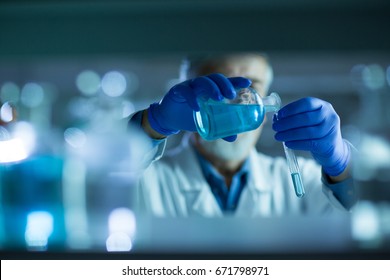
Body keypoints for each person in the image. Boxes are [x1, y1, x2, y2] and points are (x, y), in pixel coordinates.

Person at [129, 52, 357, 217]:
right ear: (190, 96)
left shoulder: (301, 182)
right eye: (222, 89)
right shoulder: (145, 180)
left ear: (266, 109)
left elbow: (365, 218)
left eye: (252, 90)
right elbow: (101, 168)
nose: (238, 101)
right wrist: (155, 122)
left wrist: (341, 165)